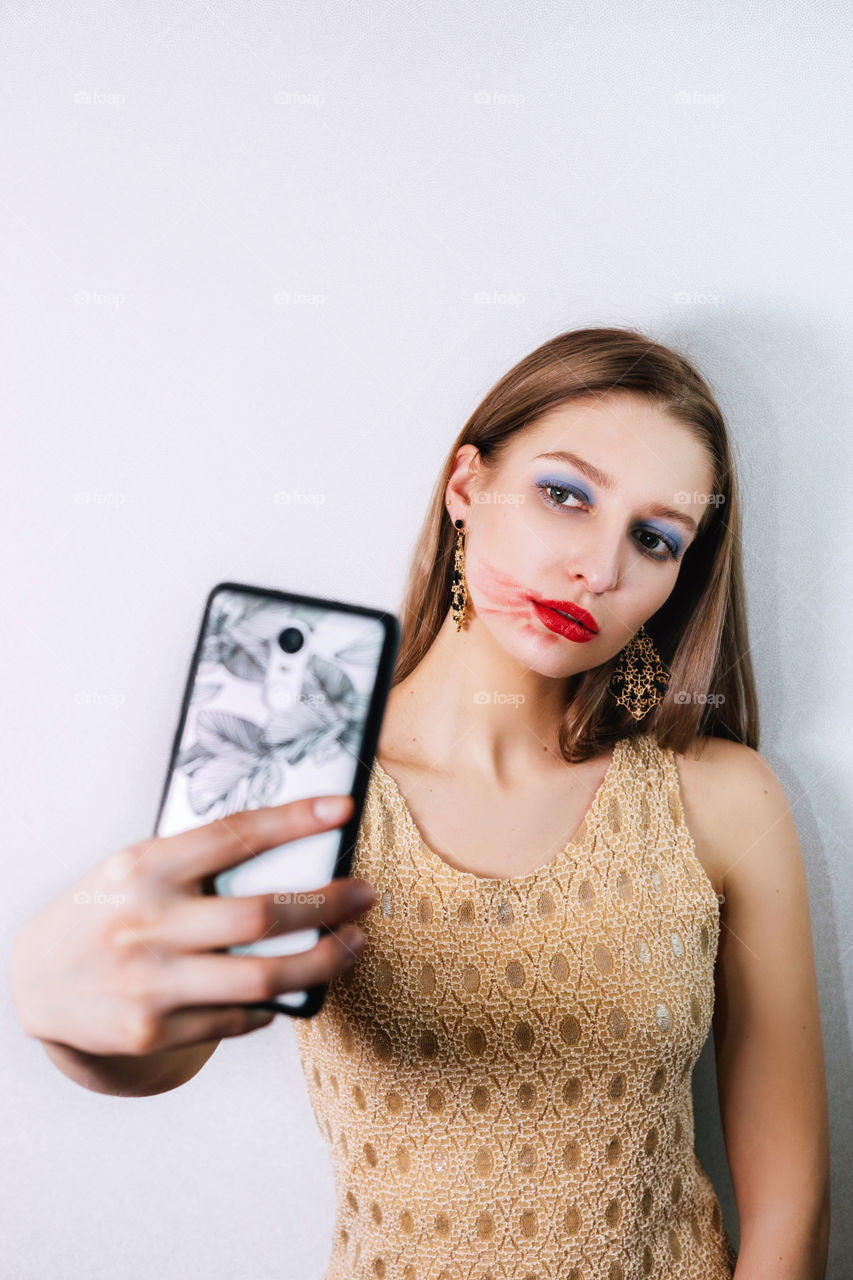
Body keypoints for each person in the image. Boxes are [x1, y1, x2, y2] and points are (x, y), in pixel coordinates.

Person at [10, 328, 830, 1279]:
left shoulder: (721, 801)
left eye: (652, 539)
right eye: (564, 495)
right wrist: (61, 1011)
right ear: (464, 486)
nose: (598, 569)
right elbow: (156, 1045)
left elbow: (789, 1206)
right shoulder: (311, 794)